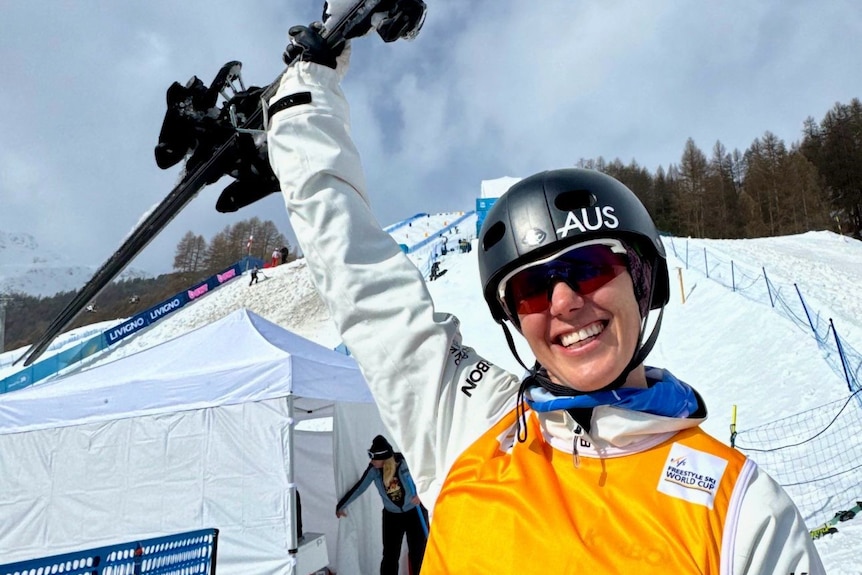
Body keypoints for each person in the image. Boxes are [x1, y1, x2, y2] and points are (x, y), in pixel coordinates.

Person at [266, 26, 824, 574]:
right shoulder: (469, 425)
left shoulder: (743, 513)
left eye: (589, 267)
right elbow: (365, 284)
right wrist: (301, 121)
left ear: (641, 279)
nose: (563, 302)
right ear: (514, 317)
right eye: (531, 288)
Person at [335, 435, 428, 575]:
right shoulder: (374, 470)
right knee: (390, 556)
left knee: (418, 554)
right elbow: (360, 487)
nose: (371, 461)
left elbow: (427, 477)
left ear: (384, 458)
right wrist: (341, 505)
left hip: (414, 513)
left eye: (374, 458)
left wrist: (421, 495)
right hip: (392, 517)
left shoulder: (405, 463)